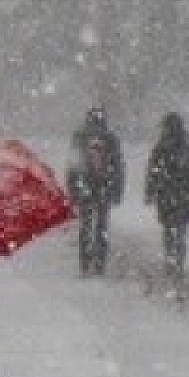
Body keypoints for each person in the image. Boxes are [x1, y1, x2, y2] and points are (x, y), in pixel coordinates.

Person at [144, 112, 189, 279]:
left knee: (169, 229)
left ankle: (171, 259)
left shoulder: (161, 148)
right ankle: (178, 261)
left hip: (166, 196)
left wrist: (150, 192)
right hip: (184, 196)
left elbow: (153, 172)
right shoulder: (187, 148)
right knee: (181, 230)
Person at [66, 106, 125, 276]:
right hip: (103, 188)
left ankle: (85, 263)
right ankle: (100, 264)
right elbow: (118, 167)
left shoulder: (80, 137)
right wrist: (116, 189)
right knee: (102, 227)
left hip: (85, 187)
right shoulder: (111, 139)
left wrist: (73, 190)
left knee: (85, 227)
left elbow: (73, 165)